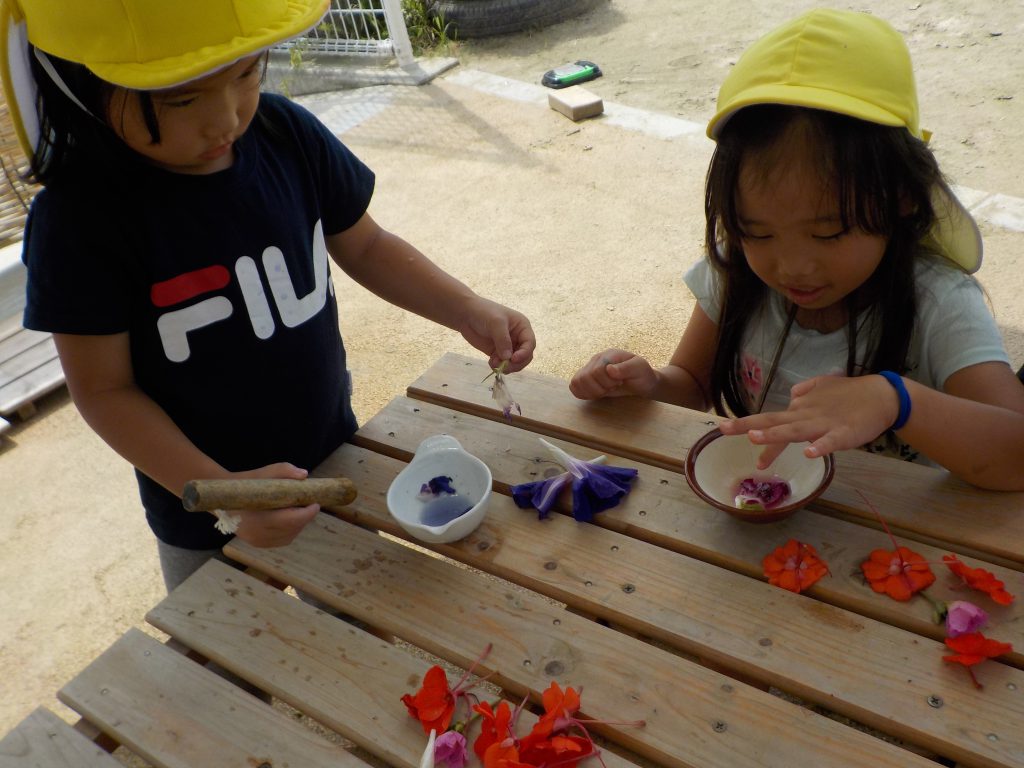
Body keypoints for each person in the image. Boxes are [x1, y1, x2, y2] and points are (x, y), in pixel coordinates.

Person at [0, 0, 535, 591]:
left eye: (246, 72)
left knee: (354, 620)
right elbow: (104, 391)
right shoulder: (80, 221)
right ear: (81, 81)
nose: (225, 118)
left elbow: (366, 245)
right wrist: (227, 498)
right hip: (199, 512)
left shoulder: (286, 132)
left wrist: (464, 307)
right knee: (226, 662)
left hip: (330, 462)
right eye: (181, 99)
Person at [570, 8, 1024, 491]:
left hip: (901, 542)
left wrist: (898, 401)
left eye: (828, 233)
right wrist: (649, 387)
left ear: (902, 199)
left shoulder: (939, 301)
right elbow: (691, 383)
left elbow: (1016, 455)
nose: (792, 268)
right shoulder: (736, 272)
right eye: (758, 232)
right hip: (769, 521)